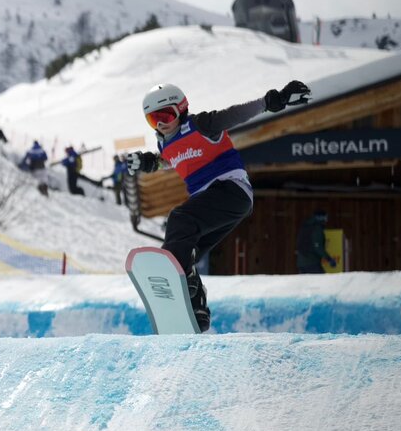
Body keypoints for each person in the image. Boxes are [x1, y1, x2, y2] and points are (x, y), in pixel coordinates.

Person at [126, 80, 312, 332]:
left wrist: (269, 102)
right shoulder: (165, 143)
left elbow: (233, 115)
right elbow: (170, 158)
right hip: (216, 202)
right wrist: (151, 162)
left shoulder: (202, 125)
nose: (160, 124)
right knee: (188, 249)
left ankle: (176, 279)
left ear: (181, 109)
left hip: (230, 189)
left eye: (165, 116)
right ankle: (196, 309)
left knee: (180, 218)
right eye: (153, 120)